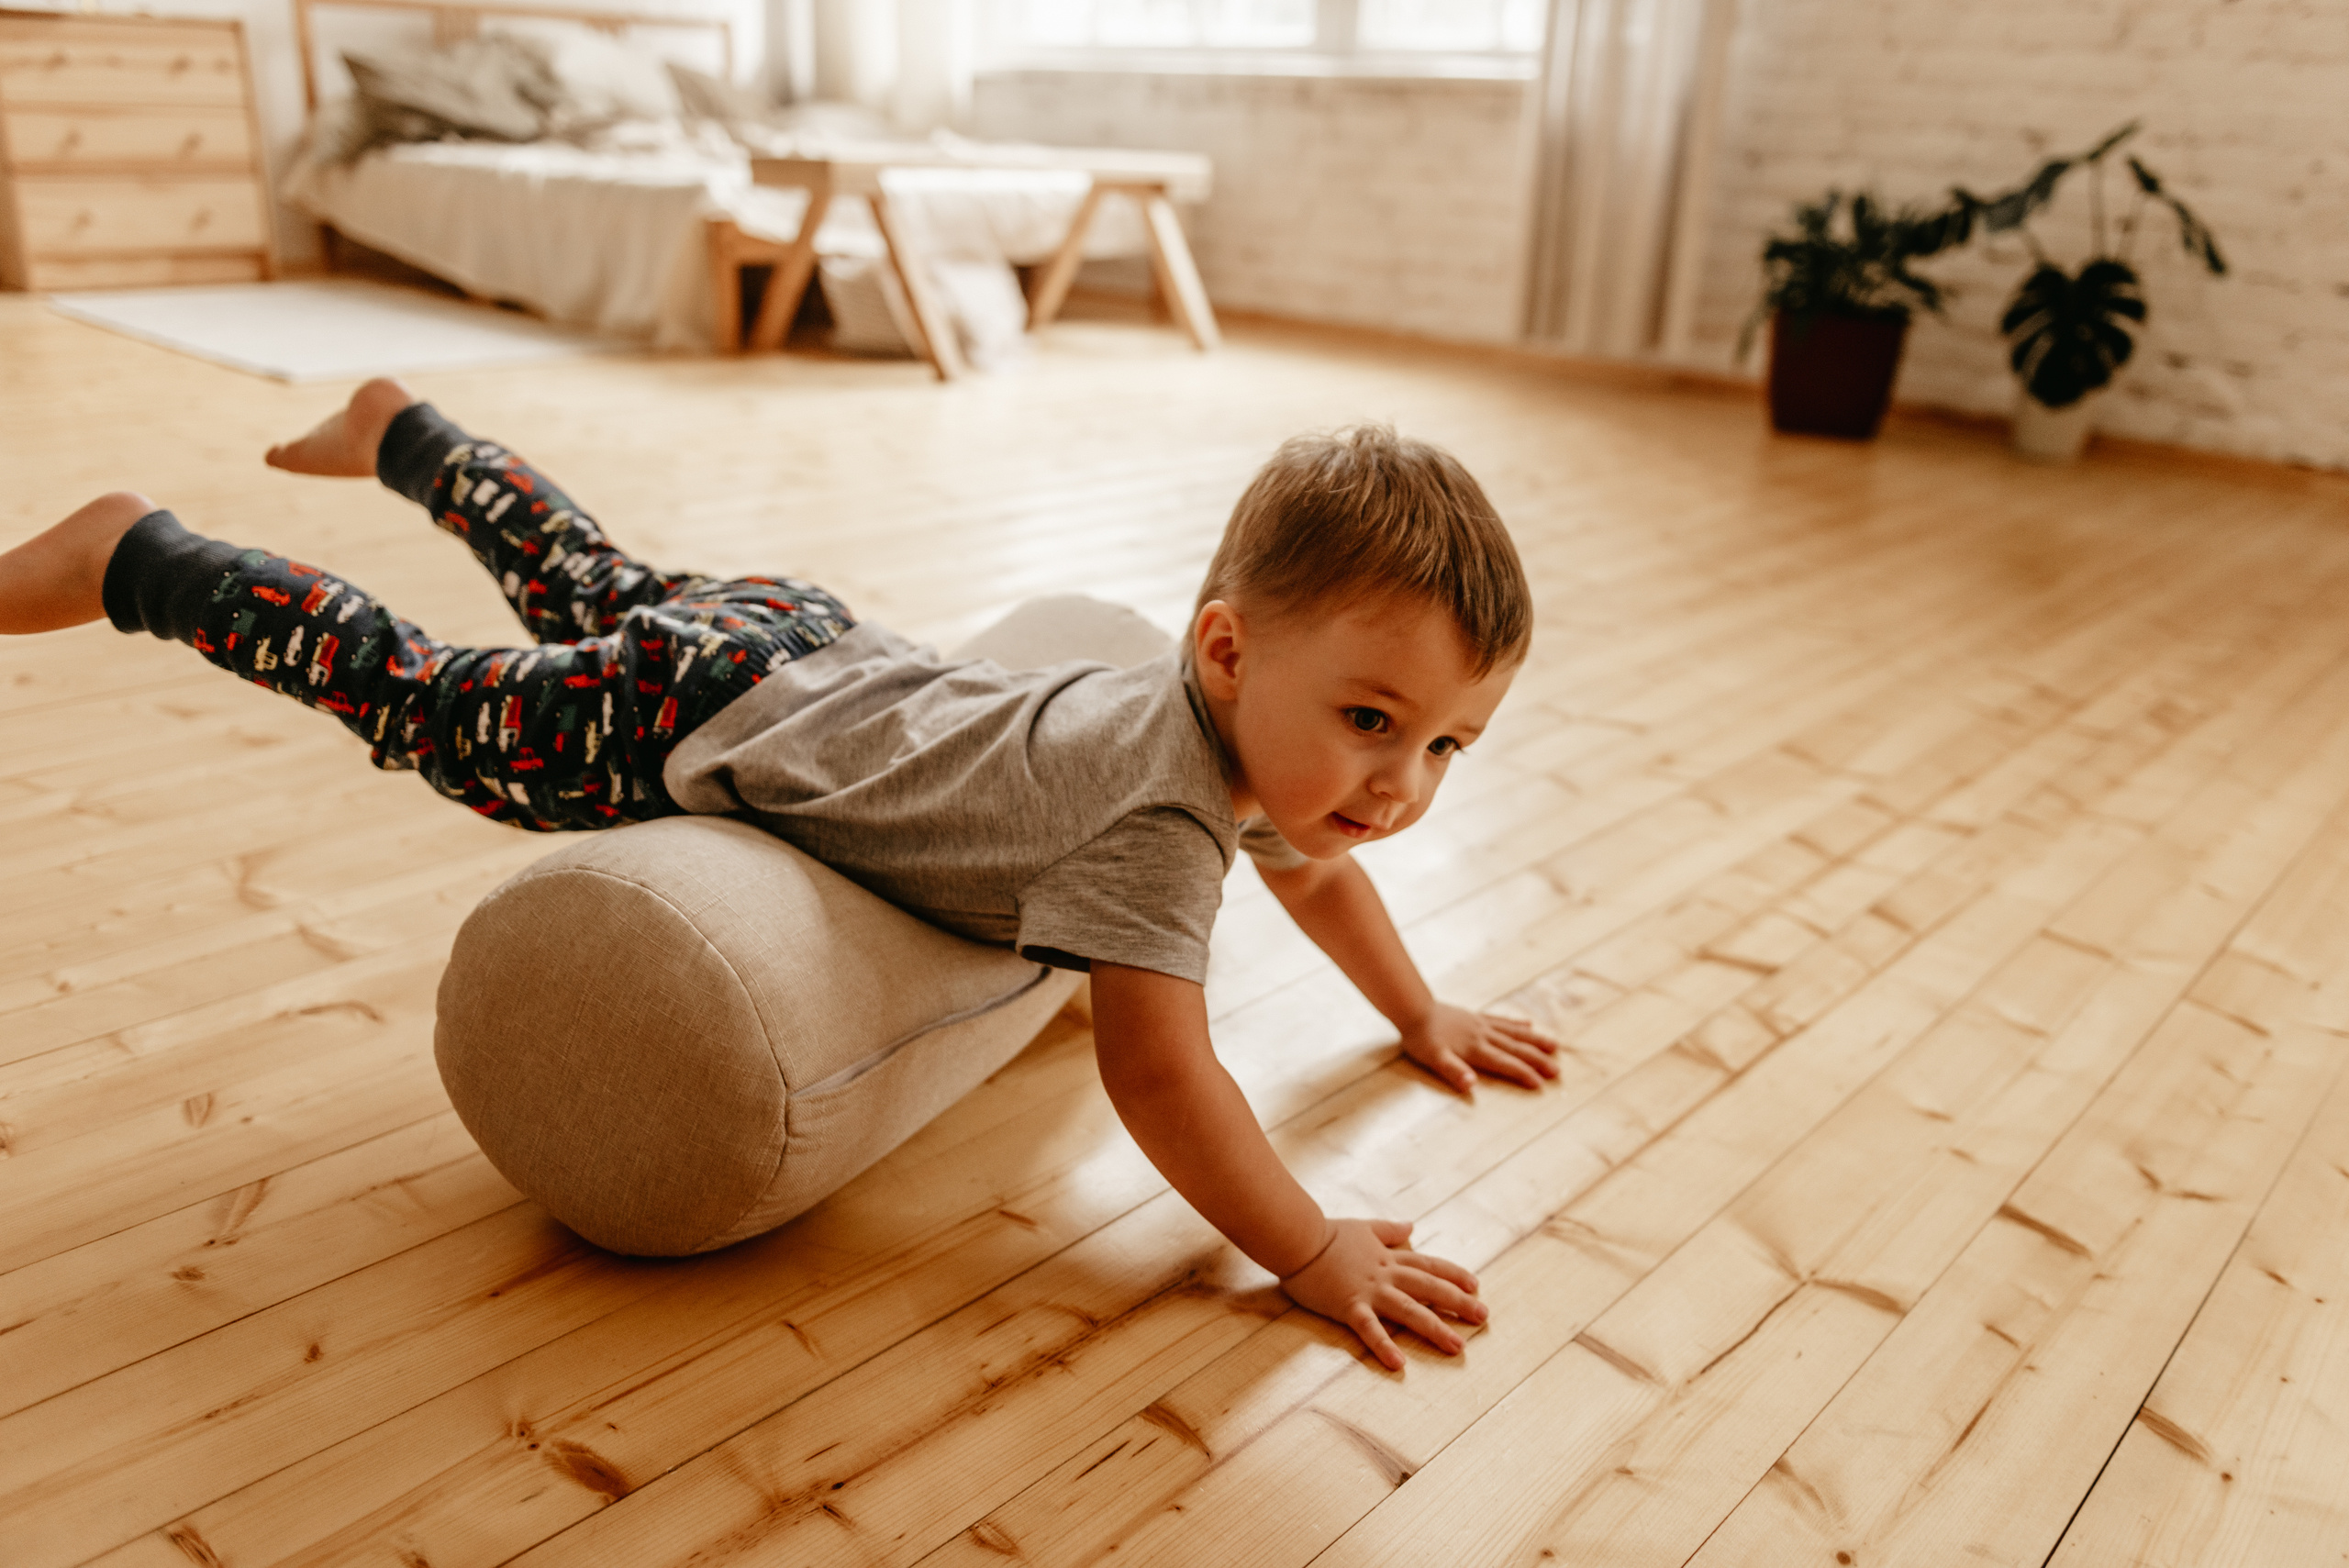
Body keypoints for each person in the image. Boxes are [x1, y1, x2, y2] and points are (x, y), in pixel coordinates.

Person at [0, 379, 1557, 1370]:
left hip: (809, 636)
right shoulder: (1158, 822)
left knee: (592, 581)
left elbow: (1315, 873)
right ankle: (138, 555)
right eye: (1374, 723)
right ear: (1225, 646)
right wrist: (1309, 1243)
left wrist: (1419, 1011)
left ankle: (411, 434)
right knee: (425, 702)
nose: (1398, 789)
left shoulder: (1260, 747)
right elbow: (1162, 1069)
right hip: (710, 711)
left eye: (1445, 748)